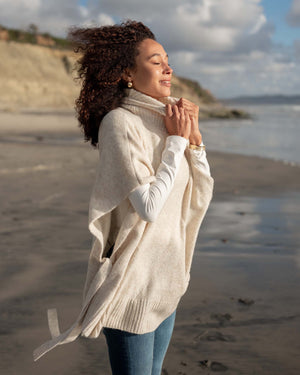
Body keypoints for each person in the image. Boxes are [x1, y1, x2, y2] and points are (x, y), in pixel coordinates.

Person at [33, 20, 214, 374]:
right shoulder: (121, 123)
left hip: (168, 278)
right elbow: (148, 206)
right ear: (127, 72)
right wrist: (176, 143)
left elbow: (200, 193)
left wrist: (194, 141)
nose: (168, 68)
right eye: (155, 61)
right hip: (132, 282)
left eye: (167, 60)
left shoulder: (168, 118)